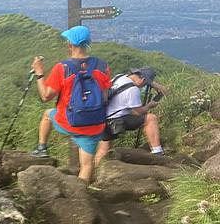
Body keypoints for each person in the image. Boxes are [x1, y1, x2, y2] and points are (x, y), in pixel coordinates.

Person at [30, 26, 111, 185]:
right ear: (87, 43)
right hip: (95, 124)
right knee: (87, 165)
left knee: (47, 114)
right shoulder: (103, 66)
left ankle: (42, 148)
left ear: (70, 44)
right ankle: (81, 196)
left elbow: (46, 96)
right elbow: (105, 97)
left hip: (68, 122)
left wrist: (39, 73)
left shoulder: (63, 68)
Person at [94, 67, 169, 166]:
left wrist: (151, 83)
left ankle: (96, 169)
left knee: (104, 147)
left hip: (102, 118)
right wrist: (149, 105)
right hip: (115, 122)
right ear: (142, 80)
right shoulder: (132, 90)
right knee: (151, 118)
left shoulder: (119, 77)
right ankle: (157, 152)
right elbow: (137, 112)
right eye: (145, 84)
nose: (143, 86)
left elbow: (161, 89)